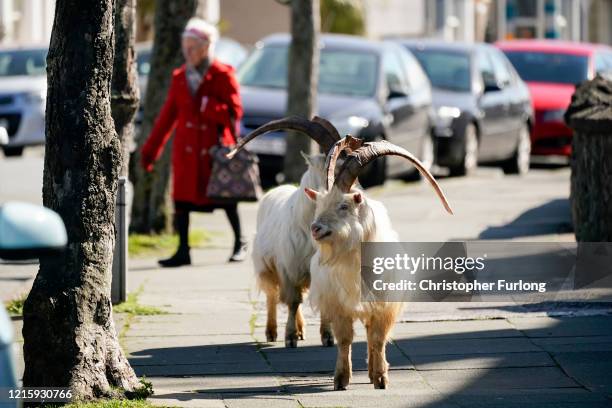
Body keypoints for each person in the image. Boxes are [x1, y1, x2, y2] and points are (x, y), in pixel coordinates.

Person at [140, 18, 246, 266]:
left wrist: (213, 109)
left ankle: (239, 242)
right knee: (182, 202)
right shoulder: (179, 77)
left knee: (226, 198)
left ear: (207, 46)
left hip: (214, 150)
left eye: (193, 47)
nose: (187, 52)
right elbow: (167, 117)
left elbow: (235, 114)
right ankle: (183, 250)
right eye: (185, 46)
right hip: (187, 151)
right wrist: (150, 151)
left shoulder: (223, 74)